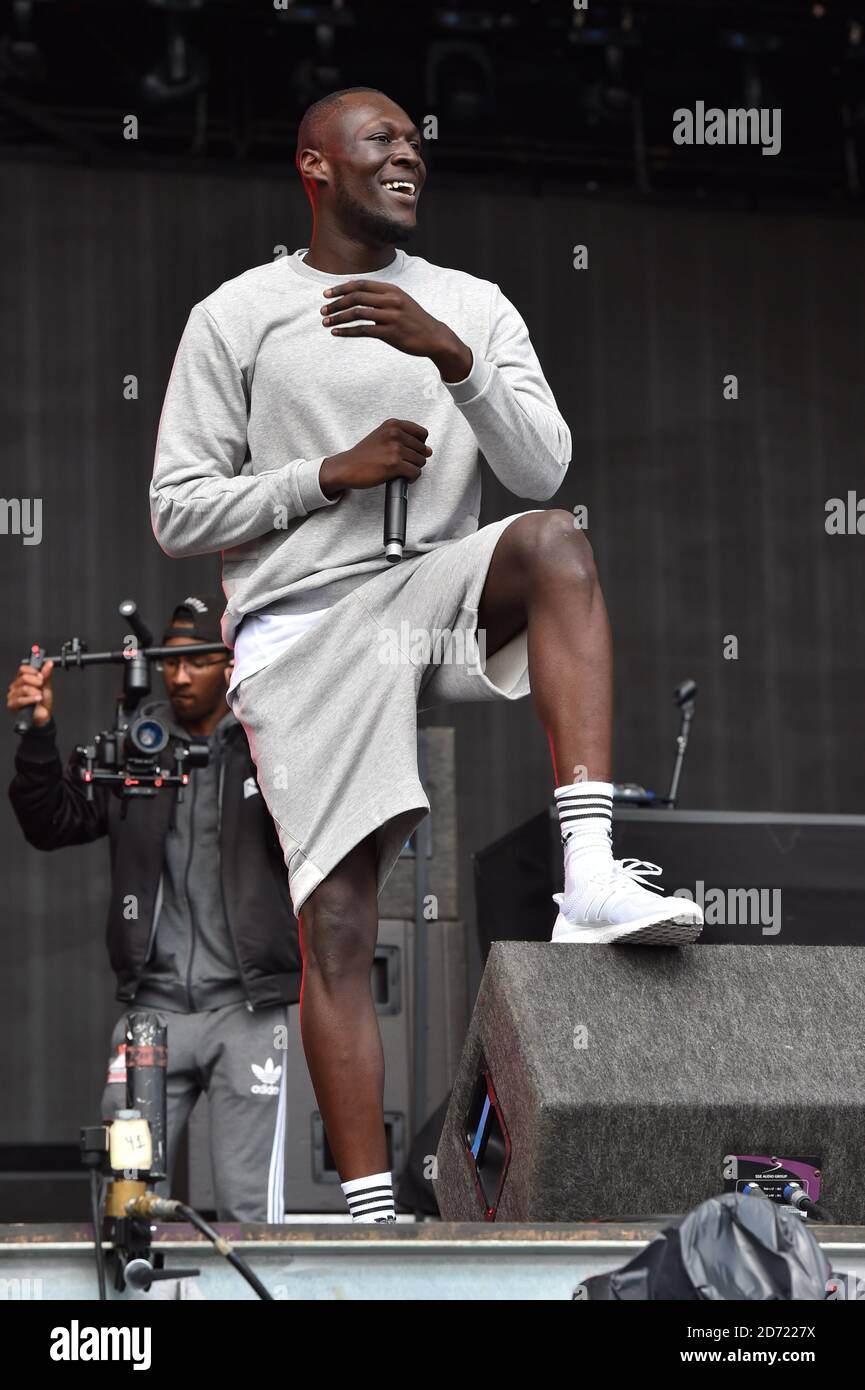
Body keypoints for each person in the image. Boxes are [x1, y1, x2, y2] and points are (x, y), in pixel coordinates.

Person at [149, 88, 704, 1224]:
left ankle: (588, 870)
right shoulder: (238, 314)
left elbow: (542, 468)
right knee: (343, 921)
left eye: (412, 142)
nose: (407, 155)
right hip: (304, 621)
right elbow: (177, 510)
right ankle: (369, 1219)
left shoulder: (471, 304)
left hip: (429, 590)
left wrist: (455, 361)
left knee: (554, 544)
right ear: (314, 166)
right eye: (378, 143)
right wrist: (323, 476)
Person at [7, 594, 299, 1221]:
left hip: (247, 1011)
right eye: (170, 662)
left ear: (231, 662)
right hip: (152, 1014)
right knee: (124, 1203)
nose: (182, 676)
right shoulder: (134, 749)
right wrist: (37, 736)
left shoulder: (268, 746)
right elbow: (50, 821)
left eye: (197, 661)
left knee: (250, 1213)